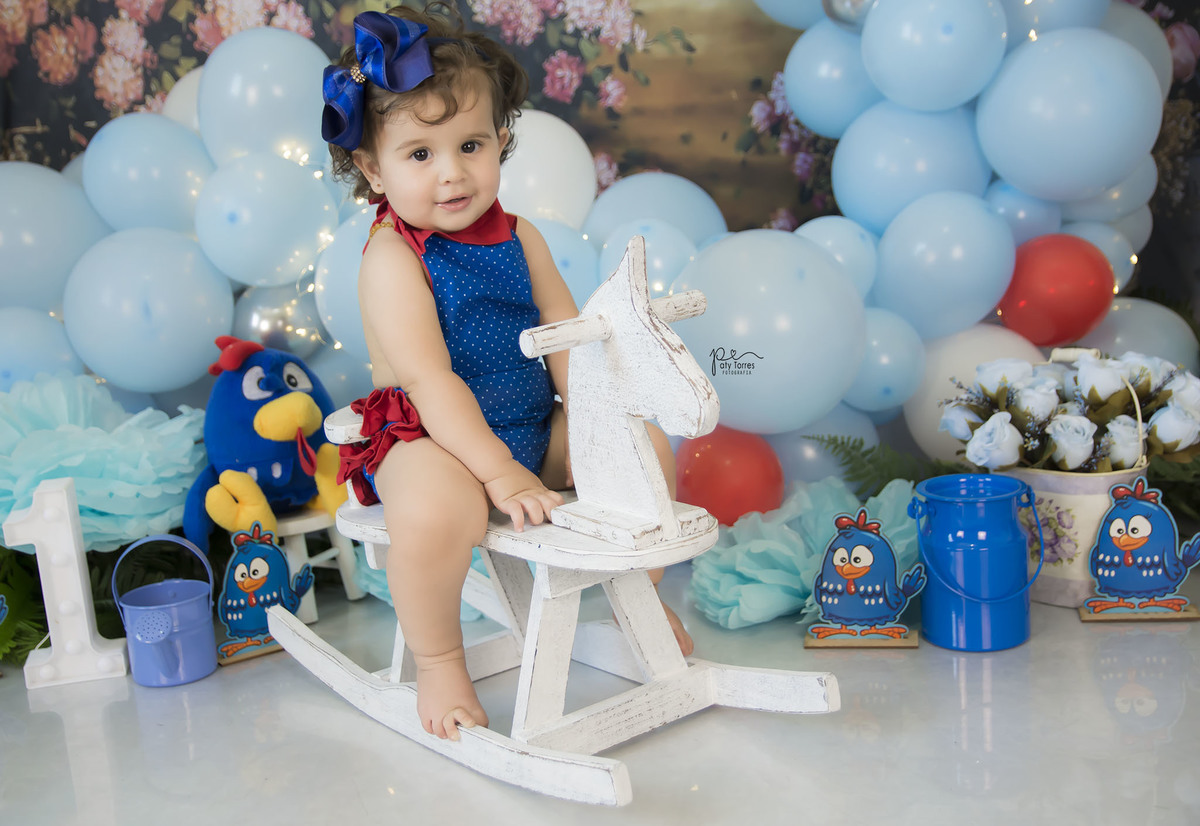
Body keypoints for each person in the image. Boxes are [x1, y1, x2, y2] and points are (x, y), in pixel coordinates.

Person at [322, 3, 691, 742]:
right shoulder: (393, 258)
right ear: (371, 167)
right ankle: (439, 660)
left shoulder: (521, 237)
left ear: (500, 140)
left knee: (642, 448)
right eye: (419, 154)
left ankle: (642, 603)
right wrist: (497, 472)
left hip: (528, 428)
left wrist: (594, 423)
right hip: (431, 441)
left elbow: (569, 345)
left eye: (471, 144)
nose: (452, 173)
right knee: (439, 508)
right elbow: (431, 381)